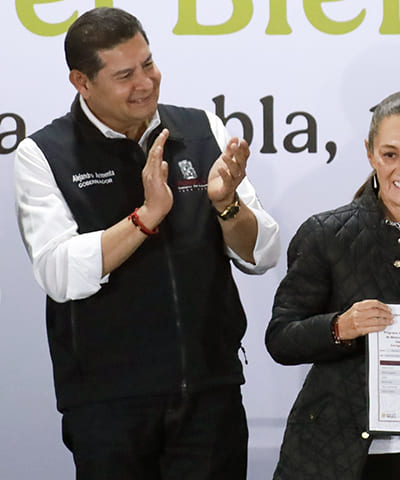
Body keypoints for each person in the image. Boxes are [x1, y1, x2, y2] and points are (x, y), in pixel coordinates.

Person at [13, 7, 281, 479]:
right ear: (82, 81)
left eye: (148, 64)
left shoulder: (201, 129)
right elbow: (59, 272)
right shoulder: (44, 153)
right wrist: (145, 218)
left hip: (209, 393)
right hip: (108, 404)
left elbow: (262, 253)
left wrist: (226, 205)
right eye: (124, 75)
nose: (145, 83)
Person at [265, 90, 400, 480]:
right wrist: (339, 327)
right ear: (370, 153)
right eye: (390, 154)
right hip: (343, 453)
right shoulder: (325, 234)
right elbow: (280, 337)